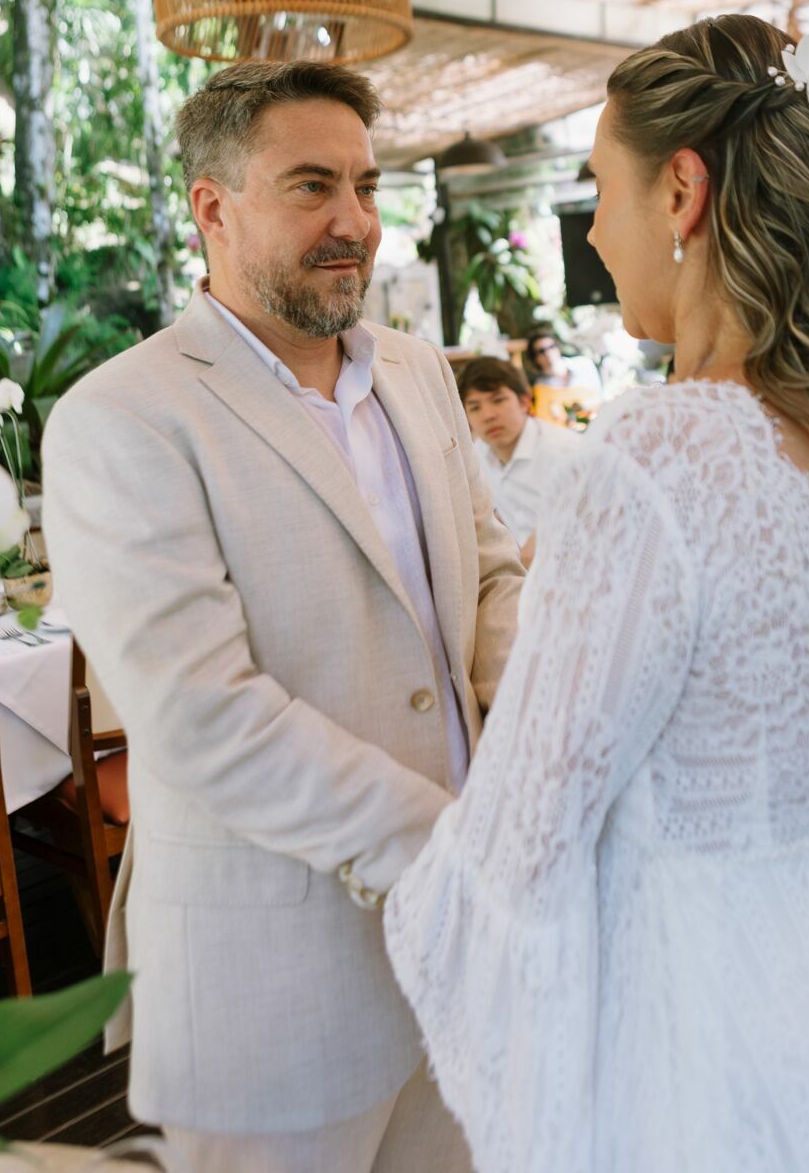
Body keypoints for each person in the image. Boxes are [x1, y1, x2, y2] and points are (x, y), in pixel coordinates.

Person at [385, 16, 809, 1173]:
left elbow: (517, 846)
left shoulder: (659, 455)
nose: (595, 232)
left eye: (600, 188)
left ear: (681, 193)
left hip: (710, 1041)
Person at [43, 60, 525, 1173]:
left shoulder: (418, 371)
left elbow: (493, 579)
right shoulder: (122, 417)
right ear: (212, 208)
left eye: (365, 184)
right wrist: (448, 850)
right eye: (311, 185)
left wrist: (537, 756)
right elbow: (201, 716)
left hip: (468, 963)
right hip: (271, 991)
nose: (353, 220)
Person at [458, 357, 583, 566]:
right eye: (475, 407)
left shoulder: (565, 452)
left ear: (524, 402)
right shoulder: (476, 456)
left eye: (498, 400)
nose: (488, 415)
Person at [524, 325, 601, 429]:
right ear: (535, 359)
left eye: (551, 347)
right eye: (542, 351)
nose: (548, 353)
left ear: (558, 347)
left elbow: (600, 396)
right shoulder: (540, 389)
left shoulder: (584, 364)